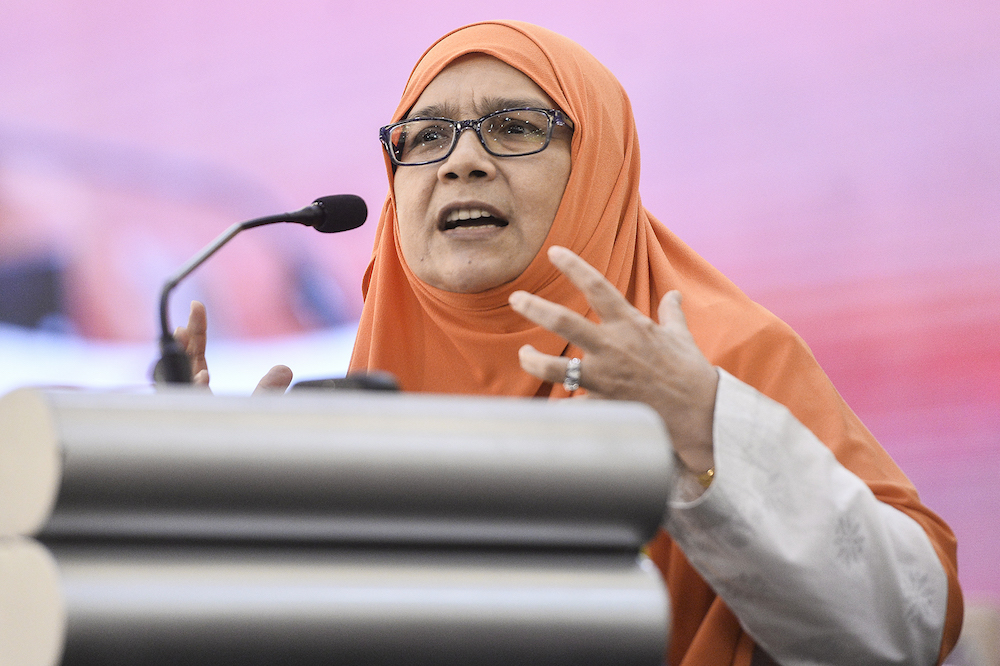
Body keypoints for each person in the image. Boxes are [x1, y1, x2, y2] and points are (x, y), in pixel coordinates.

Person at [178, 20, 962, 665]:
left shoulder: (717, 354)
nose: (462, 163)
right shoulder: (355, 404)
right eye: (425, 138)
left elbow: (915, 629)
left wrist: (703, 425)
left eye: (514, 128)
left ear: (599, 171)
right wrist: (202, 535)